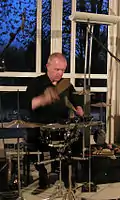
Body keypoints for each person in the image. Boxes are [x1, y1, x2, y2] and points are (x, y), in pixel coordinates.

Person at [25, 52, 84, 191]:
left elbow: (76, 101)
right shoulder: (36, 83)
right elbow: (28, 105)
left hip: (62, 126)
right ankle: (43, 175)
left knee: (77, 139)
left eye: (63, 70)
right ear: (47, 66)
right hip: (40, 126)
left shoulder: (66, 85)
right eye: (57, 69)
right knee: (32, 141)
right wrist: (42, 99)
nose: (60, 73)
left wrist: (79, 108)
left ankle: (68, 177)